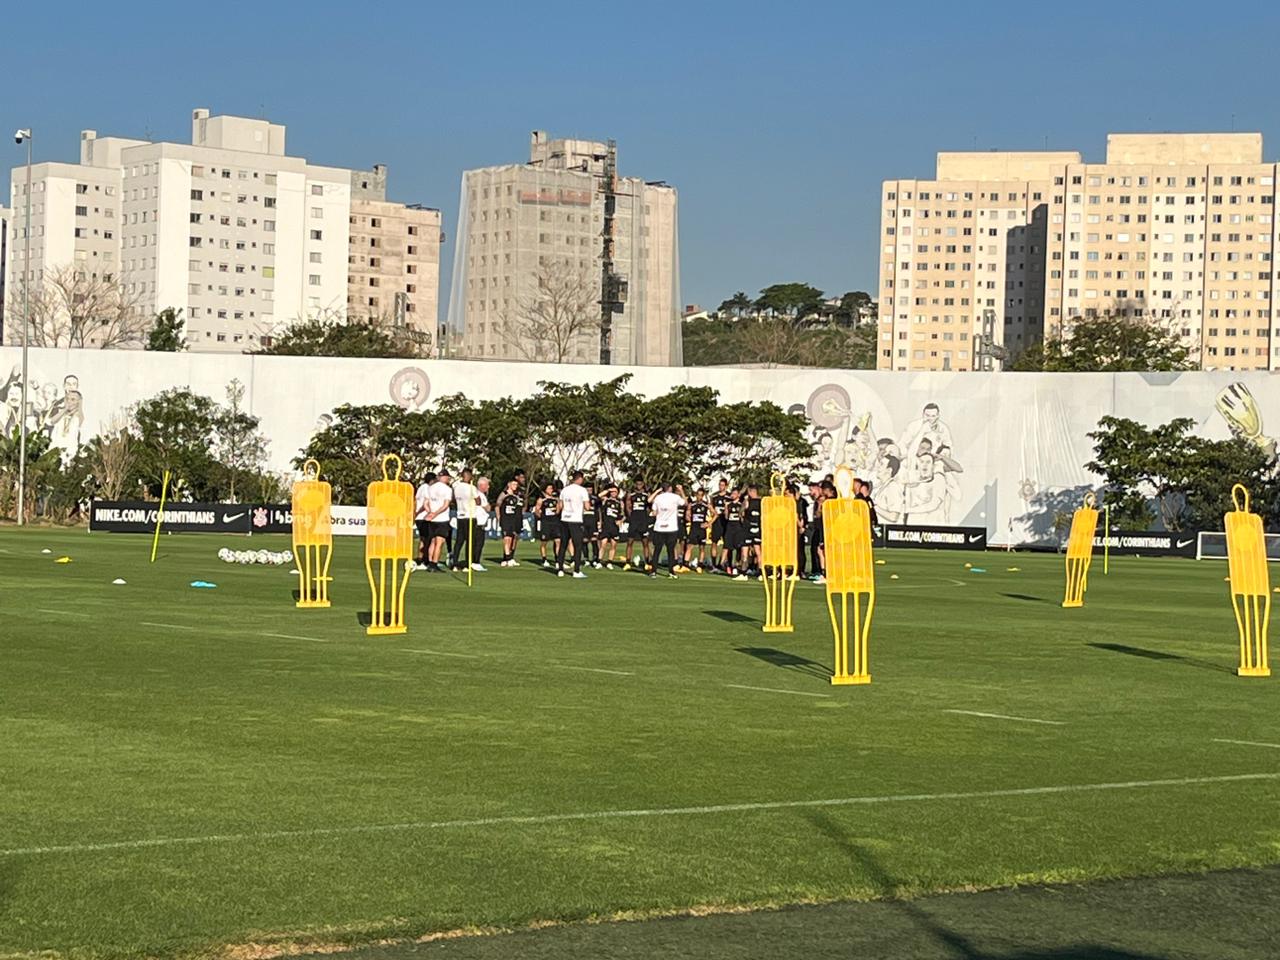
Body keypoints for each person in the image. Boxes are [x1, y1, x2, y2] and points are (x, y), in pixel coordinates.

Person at [556, 471, 591, 578]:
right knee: (578, 545)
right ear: (580, 479)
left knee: (563, 544)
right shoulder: (582, 490)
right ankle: (576, 571)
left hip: (564, 519)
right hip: (575, 520)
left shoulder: (565, 490)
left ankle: (560, 569)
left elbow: (559, 506)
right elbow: (587, 507)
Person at [649, 482, 686, 579]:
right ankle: (671, 572)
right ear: (669, 488)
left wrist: (657, 491)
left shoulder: (658, 498)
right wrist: (681, 490)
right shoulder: (675, 497)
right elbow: (684, 503)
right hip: (671, 528)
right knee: (670, 551)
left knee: (657, 550)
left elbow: (654, 510)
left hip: (659, 527)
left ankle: (653, 571)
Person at [450, 468, 481, 571]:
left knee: (459, 541)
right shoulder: (471, 488)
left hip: (460, 516)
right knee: (470, 541)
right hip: (470, 516)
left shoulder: (456, 487)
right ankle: (467, 564)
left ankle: (454, 562)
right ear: (467, 476)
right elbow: (478, 501)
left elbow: (453, 500)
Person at [423, 468, 454, 572]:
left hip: (432, 519)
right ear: (444, 477)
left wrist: (430, 513)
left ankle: (430, 562)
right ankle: (434, 563)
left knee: (432, 541)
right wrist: (435, 513)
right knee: (439, 542)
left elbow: (426, 503)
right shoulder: (447, 489)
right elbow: (445, 505)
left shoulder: (430, 488)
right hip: (442, 519)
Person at [413, 470, 438, 570]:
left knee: (423, 538)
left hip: (419, 517)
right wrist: (418, 512)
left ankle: (420, 558)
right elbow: (425, 504)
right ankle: (425, 560)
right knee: (428, 538)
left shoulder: (420, 488)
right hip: (423, 517)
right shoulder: (427, 488)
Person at [496, 477, 524, 567]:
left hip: (514, 519)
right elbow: (497, 506)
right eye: (513, 484)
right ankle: (507, 558)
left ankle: (510, 557)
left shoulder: (517, 495)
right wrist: (498, 516)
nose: (515, 486)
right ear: (509, 485)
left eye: (516, 484)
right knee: (507, 538)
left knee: (513, 538)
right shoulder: (504, 494)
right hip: (506, 518)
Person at [737, 484, 763, 580]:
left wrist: (744, 501)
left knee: (745, 552)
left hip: (747, 529)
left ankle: (743, 573)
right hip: (757, 529)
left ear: (751, 491)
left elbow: (741, 512)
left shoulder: (748, 501)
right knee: (758, 552)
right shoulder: (762, 502)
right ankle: (761, 574)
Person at [683, 488, 711, 573]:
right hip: (694, 528)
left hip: (702, 529)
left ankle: (700, 565)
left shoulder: (706, 505)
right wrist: (688, 517)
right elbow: (687, 514)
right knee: (689, 546)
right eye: (698, 495)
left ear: (703, 496)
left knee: (701, 548)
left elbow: (715, 514)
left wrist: (709, 523)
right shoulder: (692, 504)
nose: (699, 497)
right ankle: (685, 565)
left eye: (701, 495)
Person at [624, 481, 650, 570]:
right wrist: (631, 516)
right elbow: (628, 506)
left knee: (645, 543)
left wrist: (646, 517)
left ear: (643, 484)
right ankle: (627, 562)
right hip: (634, 521)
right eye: (637, 483)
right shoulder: (631, 495)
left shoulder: (646, 495)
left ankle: (647, 562)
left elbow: (649, 507)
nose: (639, 485)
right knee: (630, 542)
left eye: (640, 483)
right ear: (635, 484)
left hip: (643, 521)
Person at [534, 482, 561, 568]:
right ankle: (544, 559)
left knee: (558, 541)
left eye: (552, 488)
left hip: (555, 523)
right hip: (546, 523)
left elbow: (558, 510)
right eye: (549, 488)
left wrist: (557, 509)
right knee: (544, 542)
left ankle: (557, 560)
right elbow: (537, 510)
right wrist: (542, 517)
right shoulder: (541, 500)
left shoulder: (555, 499)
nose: (551, 490)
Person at [468, 477, 491, 571]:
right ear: (481, 485)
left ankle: (473, 561)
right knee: (478, 543)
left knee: (476, 543)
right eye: (487, 485)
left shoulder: (480, 494)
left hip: (479, 522)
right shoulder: (479, 495)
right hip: (478, 522)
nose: (488, 487)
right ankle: (475, 562)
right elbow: (487, 508)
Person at [722, 488, 745, 577]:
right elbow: (726, 517)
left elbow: (742, 517)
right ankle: (726, 564)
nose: (733, 495)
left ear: (738, 495)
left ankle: (736, 565)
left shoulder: (741, 504)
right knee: (728, 546)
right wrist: (726, 507)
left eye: (735, 493)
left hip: (738, 529)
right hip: (730, 528)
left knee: (738, 548)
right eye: (732, 493)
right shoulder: (729, 504)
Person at [599, 483, 623, 568]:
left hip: (614, 527)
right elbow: (599, 495)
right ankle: (599, 561)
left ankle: (609, 562)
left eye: (615, 492)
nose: (613, 493)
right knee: (603, 544)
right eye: (612, 492)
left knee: (613, 545)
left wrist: (620, 521)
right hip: (606, 525)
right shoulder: (606, 500)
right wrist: (608, 490)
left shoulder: (619, 502)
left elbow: (622, 515)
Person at [709, 478, 730, 571]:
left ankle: (725, 563)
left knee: (727, 544)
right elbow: (711, 509)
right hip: (717, 523)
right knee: (714, 543)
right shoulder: (715, 497)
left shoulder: (729, 497)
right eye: (720, 485)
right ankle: (714, 565)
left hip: (726, 523)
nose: (721, 487)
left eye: (722, 485)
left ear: (726, 486)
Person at [582, 479, 602, 569]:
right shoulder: (581, 498)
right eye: (587, 489)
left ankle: (595, 560)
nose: (589, 491)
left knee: (594, 541)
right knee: (584, 541)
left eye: (590, 489)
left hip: (593, 522)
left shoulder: (595, 498)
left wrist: (599, 521)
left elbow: (599, 511)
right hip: (583, 522)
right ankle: (586, 559)